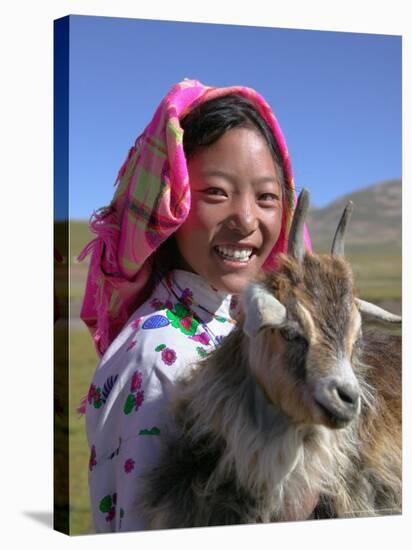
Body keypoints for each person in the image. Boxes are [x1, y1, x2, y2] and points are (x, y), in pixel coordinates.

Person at [79, 78, 311, 532]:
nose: (246, 219)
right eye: (216, 193)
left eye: (266, 197)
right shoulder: (163, 358)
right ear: (170, 202)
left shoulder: (232, 326)